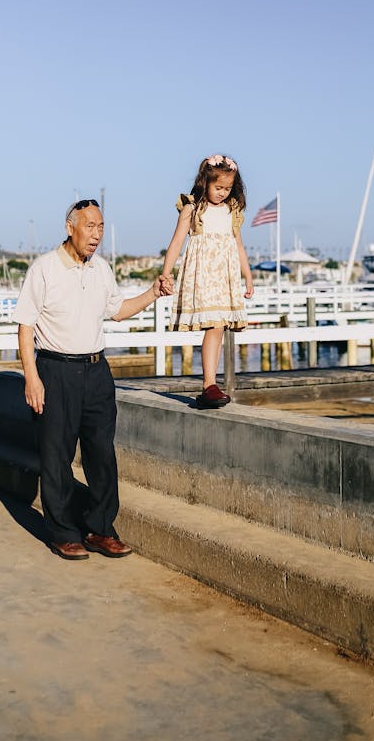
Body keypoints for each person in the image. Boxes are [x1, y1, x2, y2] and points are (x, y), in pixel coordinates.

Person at [15, 198, 163, 561]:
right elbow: (25, 326)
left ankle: (100, 529)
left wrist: (153, 293)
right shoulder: (44, 268)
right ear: (71, 227)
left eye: (100, 227)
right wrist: (31, 377)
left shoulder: (102, 270)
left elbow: (119, 311)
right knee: (57, 455)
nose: (96, 235)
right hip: (55, 369)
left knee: (102, 455)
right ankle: (64, 532)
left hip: (97, 371)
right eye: (90, 226)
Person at [160, 154, 254, 409]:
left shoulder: (231, 210)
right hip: (203, 275)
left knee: (218, 327)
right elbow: (177, 242)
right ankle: (209, 384)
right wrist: (165, 274)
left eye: (227, 188)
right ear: (205, 183)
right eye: (218, 187)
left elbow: (239, 246)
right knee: (213, 325)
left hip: (224, 276)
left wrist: (248, 276)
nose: (223, 193)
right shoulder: (193, 208)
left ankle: (210, 385)